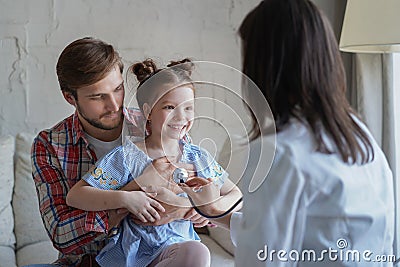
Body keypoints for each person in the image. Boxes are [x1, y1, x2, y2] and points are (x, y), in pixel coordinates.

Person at [178, 0, 395, 266]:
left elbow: (263, 258)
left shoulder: (279, 152)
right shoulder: (358, 134)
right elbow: (306, 229)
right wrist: (213, 212)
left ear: (264, 66)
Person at [31, 37, 202, 266]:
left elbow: (197, 189)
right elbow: (61, 234)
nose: (114, 105)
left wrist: (200, 209)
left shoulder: (158, 123)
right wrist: (130, 194)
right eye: (97, 96)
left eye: (118, 89)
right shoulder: (50, 145)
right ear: (70, 98)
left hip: (161, 253)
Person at [66, 58, 242, 267]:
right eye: (169, 107)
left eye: (188, 108)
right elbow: (75, 196)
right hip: (134, 253)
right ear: (148, 112)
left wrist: (207, 207)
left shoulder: (197, 158)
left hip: (177, 251)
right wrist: (126, 198)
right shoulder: (127, 157)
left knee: (198, 252)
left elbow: (236, 195)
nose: (181, 116)